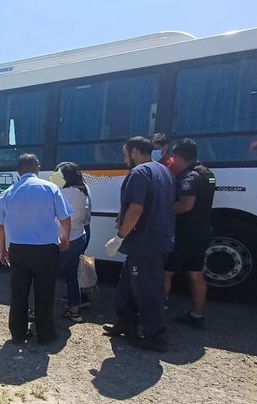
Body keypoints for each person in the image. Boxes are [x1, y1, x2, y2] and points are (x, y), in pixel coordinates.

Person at [103, 136, 176, 352]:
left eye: (125, 154)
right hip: (157, 240)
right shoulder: (164, 171)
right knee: (126, 284)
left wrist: (120, 237)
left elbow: (136, 209)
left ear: (135, 151)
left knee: (147, 290)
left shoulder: (139, 173)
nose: (125, 160)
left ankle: (155, 336)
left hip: (145, 244)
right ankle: (126, 322)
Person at [0, 154, 73, 344]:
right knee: (45, 292)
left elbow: (0, 225)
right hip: (45, 250)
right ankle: (45, 335)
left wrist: (2, 249)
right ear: (37, 168)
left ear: (18, 171)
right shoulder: (50, 188)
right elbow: (65, 219)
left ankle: (18, 333)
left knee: (19, 293)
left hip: (18, 250)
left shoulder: (8, 192)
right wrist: (65, 238)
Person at [163, 139, 216, 328]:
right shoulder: (207, 173)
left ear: (177, 156)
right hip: (202, 232)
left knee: (165, 273)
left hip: (184, 234)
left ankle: (157, 312)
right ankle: (197, 314)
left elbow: (186, 205)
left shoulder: (189, 177)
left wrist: (161, 207)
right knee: (195, 273)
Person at [50, 162, 92, 322]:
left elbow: (53, 216)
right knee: (71, 275)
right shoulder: (84, 190)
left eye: (57, 175)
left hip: (64, 240)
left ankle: (42, 311)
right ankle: (74, 311)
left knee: (48, 276)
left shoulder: (63, 193)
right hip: (79, 238)